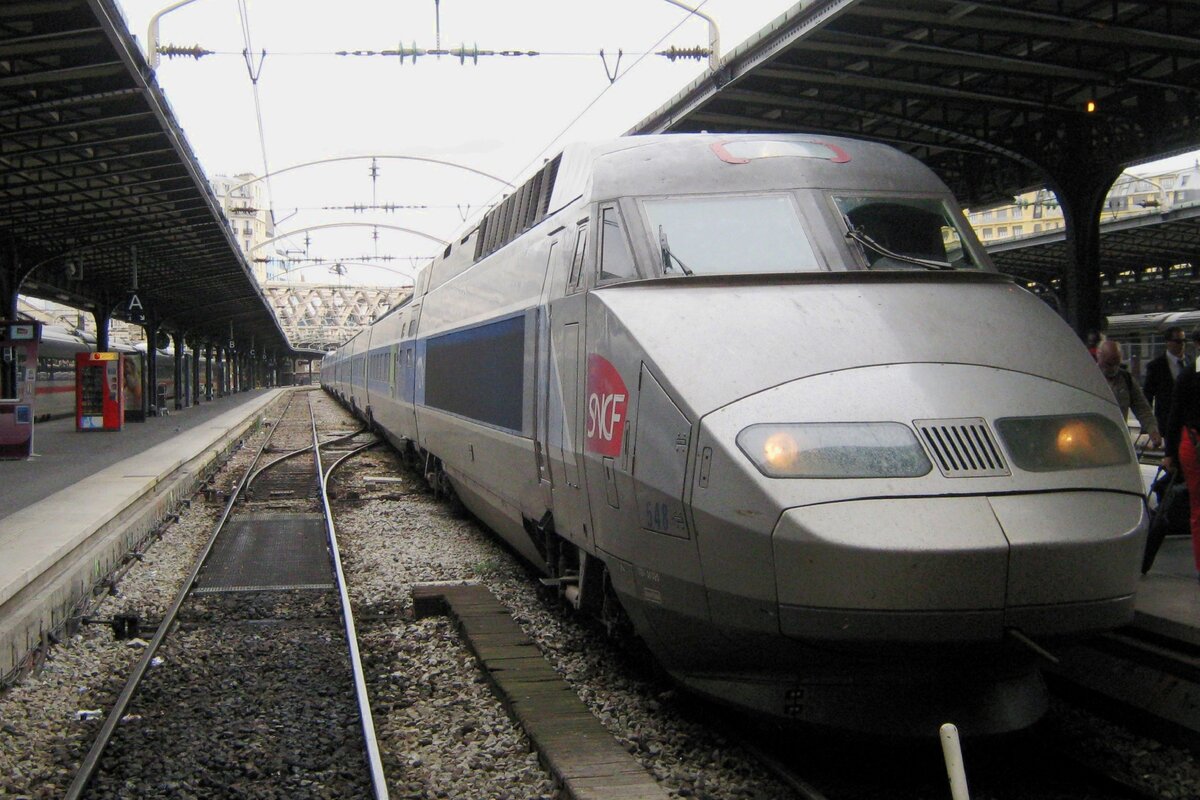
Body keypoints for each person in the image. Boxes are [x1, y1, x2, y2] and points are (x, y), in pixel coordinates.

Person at [1163, 364, 1200, 582]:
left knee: (1198, 506)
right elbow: (1175, 413)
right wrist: (1169, 453)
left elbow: (1174, 412)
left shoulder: (1187, 374)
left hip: (1191, 441)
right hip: (1194, 443)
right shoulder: (1189, 375)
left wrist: (1170, 453)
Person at [1097, 339, 1162, 449]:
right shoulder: (1088, 378)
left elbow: (1142, 408)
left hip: (1118, 440)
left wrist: (1152, 430)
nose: (1113, 368)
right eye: (1109, 364)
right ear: (1099, 356)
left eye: (1116, 363)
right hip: (1093, 440)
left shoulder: (1126, 379)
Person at [1143, 326, 1188, 437]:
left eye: (1184, 341)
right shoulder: (1156, 366)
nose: (1182, 344)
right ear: (1168, 342)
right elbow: (1147, 396)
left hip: (1190, 422)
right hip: (1168, 422)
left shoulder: (1191, 362)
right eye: (1178, 341)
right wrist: (1148, 425)